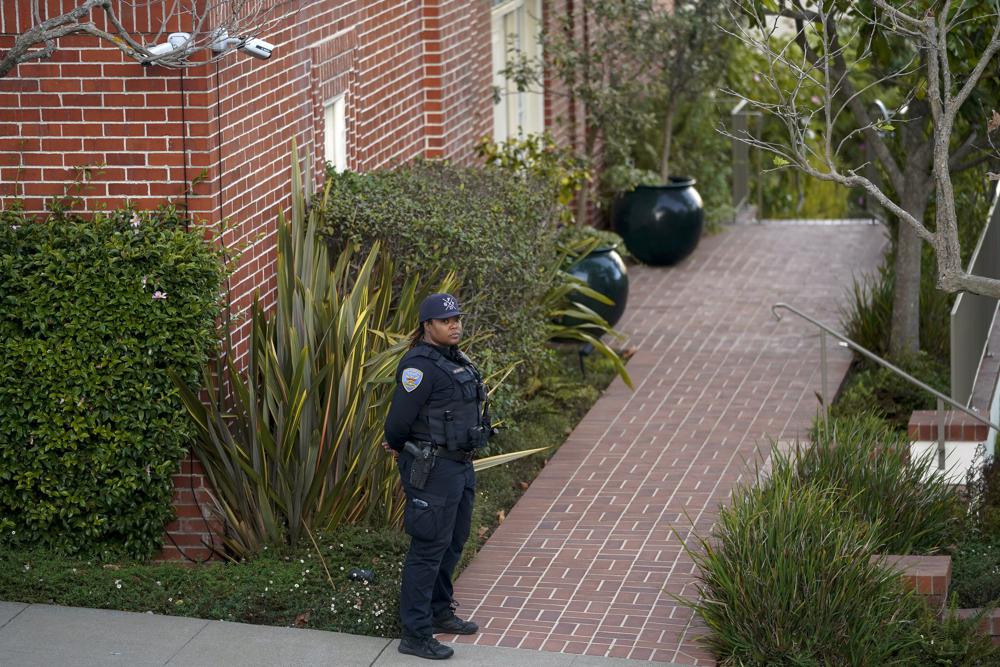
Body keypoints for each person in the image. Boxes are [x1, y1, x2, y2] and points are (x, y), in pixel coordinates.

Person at [383, 292, 493, 660]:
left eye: (457, 318)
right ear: (427, 326)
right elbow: (397, 423)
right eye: (446, 320)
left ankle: (439, 610)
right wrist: (400, 446)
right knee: (428, 548)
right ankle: (415, 634)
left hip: (459, 466)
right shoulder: (419, 367)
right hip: (431, 469)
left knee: (454, 541)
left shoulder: (455, 359)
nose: (455, 325)